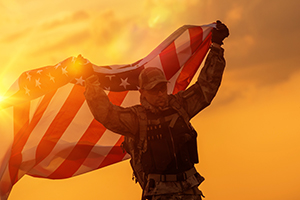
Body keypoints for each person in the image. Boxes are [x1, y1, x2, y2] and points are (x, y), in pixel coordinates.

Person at [84, 21, 229, 200]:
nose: (160, 93)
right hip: (160, 193)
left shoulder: (180, 106)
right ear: (143, 92)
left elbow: (207, 87)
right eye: (154, 90)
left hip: (189, 189)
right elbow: (106, 114)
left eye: (162, 88)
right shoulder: (137, 119)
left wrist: (216, 47)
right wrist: (91, 81)